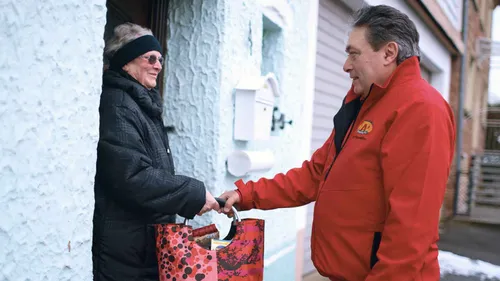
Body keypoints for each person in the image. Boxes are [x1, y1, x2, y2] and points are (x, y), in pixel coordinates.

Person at [219, 5, 455, 281]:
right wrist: (246, 194)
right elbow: (316, 174)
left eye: (354, 53)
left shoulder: (419, 109)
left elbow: (412, 227)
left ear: (389, 53)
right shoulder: (365, 104)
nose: (346, 66)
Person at [92, 23, 220, 281]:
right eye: (150, 58)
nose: (158, 65)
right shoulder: (117, 105)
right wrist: (193, 193)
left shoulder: (140, 104)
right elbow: (132, 176)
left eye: (160, 59)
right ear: (127, 61)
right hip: (125, 252)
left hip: (141, 245)